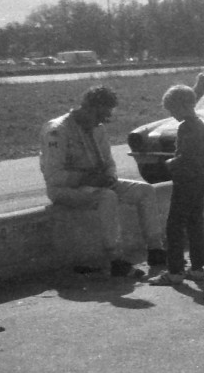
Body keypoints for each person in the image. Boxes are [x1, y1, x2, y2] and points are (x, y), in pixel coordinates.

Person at [40, 85, 166, 277]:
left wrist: (109, 176)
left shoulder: (98, 129)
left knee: (145, 190)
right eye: (99, 116)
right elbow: (53, 175)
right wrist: (86, 178)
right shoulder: (57, 130)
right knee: (107, 197)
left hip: (97, 183)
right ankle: (116, 259)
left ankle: (156, 250)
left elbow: (109, 163)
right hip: (66, 188)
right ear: (88, 108)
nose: (101, 122)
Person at [149, 86, 204, 286]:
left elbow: (187, 156)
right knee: (195, 224)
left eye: (173, 110)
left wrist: (170, 163)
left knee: (174, 226)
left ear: (183, 106)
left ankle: (175, 271)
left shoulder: (187, 127)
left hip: (186, 180)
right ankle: (197, 268)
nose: (172, 115)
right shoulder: (200, 125)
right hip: (199, 179)